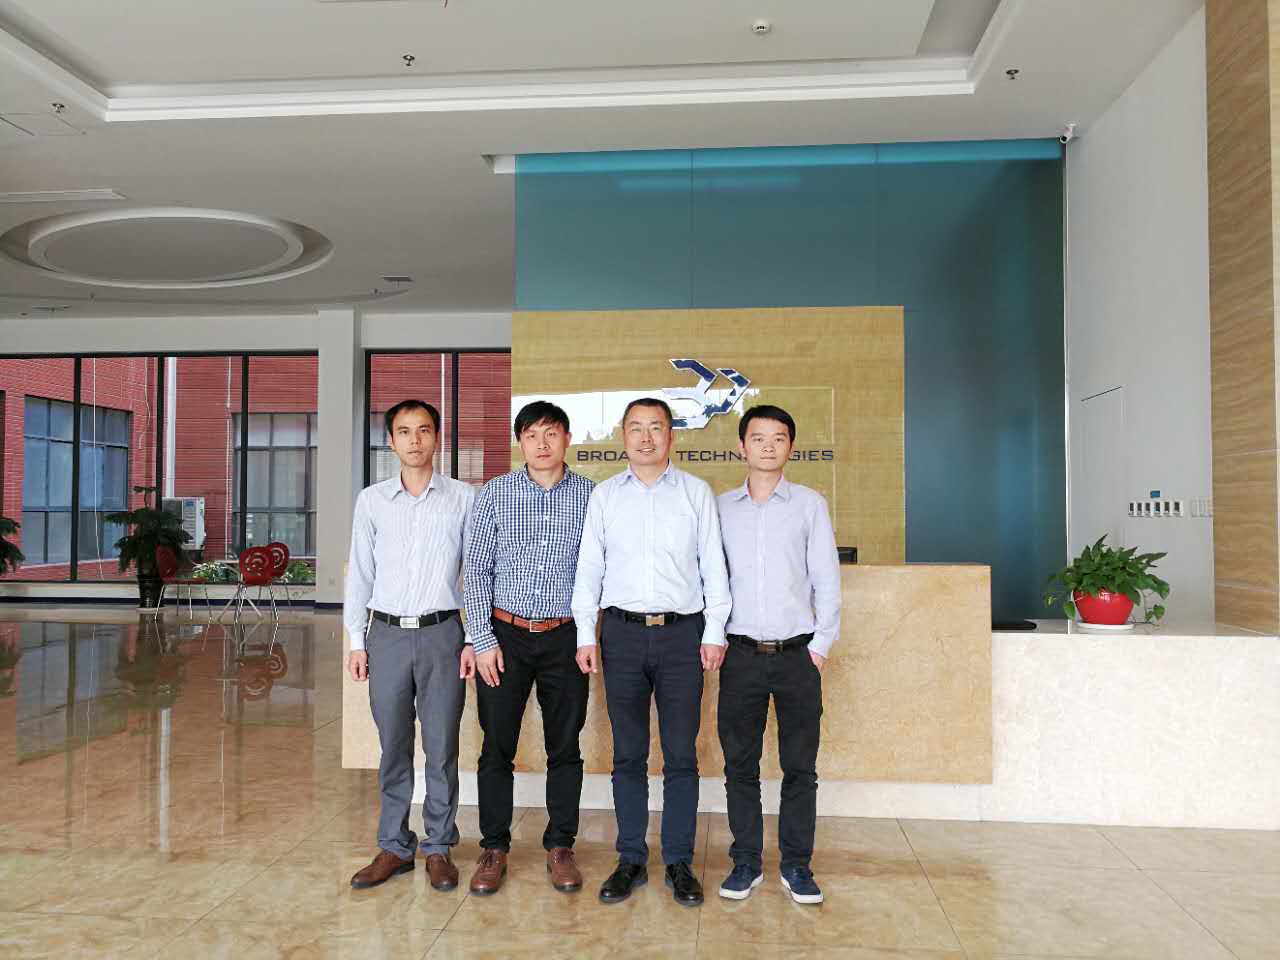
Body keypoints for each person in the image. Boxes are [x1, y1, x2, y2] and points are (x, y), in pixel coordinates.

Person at [571, 397, 731, 907]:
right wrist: (585, 634)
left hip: (683, 637)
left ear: (671, 436)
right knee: (628, 754)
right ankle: (631, 859)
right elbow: (589, 569)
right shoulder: (605, 496)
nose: (646, 438)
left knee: (681, 754)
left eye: (655, 428)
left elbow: (714, 567)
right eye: (636, 428)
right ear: (623, 437)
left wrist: (715, 631)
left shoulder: (695, 493)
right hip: (620, 635)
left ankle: (679, 860)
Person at [463, 400, 595, 896]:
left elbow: (600, 569)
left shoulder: (591, 496)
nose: (542, 444)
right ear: (520, 441)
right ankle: (493, 847)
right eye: (532, 434)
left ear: (567, 439)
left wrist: (589, 635)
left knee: (566, 746)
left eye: (551, 433)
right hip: (505, 638)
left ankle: (560, 846)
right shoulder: (495, 494)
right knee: (497, 746)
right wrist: (482, 640)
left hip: (566, 637)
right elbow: (476, 572)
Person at [344, 399, 475, 892]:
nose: (414, 440)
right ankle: (395, 847)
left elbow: (476, 574)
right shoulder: (372, 501)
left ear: (437, 437)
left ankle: (438, 846)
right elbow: (360, 573)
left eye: (423, 430)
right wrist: (357, 641)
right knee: (393, 746)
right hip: (387, 636)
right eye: (404, 431)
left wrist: (473, 637)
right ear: (391, 441)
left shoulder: (464, 498)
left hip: (444, 634)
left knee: (440, 747)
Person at [714, 404, 841, 905]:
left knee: (800, 767)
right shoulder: (720, 508)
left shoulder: (809, 505)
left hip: (797, 656)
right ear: (741, 446)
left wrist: (820, 646)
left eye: (779, 438)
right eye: (758, 438)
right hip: (740, 655)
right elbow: (711, 581)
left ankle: (796, 865)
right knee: (739, 765)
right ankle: (746, 861)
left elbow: (826, 580)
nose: (768, 446)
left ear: (791, 446)